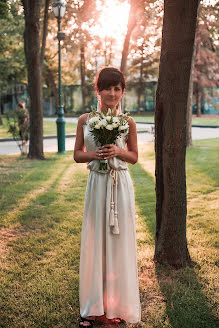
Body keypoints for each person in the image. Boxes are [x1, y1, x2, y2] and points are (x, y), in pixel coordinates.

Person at [74, 67, 141, 327]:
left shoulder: (128, 122)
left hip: (120, 185)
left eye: (117, 88)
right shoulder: (85, 120)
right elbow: (77, 154)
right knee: (95, 241)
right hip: (97, 184)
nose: (112, 93)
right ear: (98, 90)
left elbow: (134, 157)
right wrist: (96, 155)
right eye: (107, 88)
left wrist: (117, 151)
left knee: (118, 241)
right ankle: (93, 307)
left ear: (123, 91)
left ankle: (118, 305)